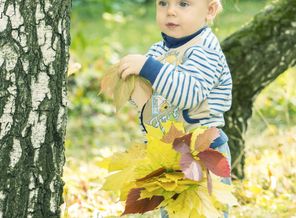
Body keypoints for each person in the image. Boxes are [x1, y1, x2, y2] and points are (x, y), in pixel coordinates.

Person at [119, 0, 232, 217]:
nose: (170, 11)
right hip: (170, 153)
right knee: (172, 211)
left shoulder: (204, 49)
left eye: (183, 4)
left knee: (204, 210)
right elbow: (151, 102)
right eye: (163, 3)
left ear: (209, 10)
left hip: (203, 153)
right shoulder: (159, 49)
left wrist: (147, 67)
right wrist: (133, 86)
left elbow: (188, 94)